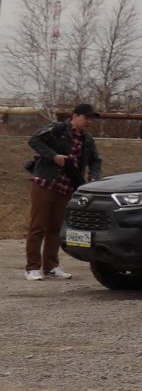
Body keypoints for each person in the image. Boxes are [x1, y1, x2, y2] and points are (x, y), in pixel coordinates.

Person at [24, 103, 104, 280]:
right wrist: (53, 157)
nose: (88, 122)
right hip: (45, 182)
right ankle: (32, 267)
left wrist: (93, 178)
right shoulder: (58, 128)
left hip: (67, 187)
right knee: (38, 226)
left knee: (56, 228)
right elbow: (34, 140)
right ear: (74, 116)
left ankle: (51, 266)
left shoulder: (87, 139)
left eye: (91, 119)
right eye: (86, 117)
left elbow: (95, 161)